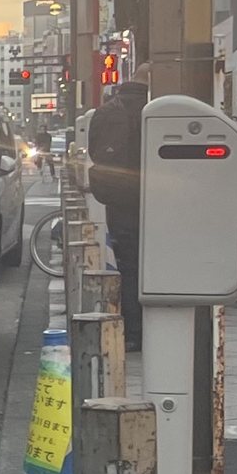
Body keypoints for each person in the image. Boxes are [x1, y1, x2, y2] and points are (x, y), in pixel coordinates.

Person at [86, 79, 147, 347]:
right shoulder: (155, 107)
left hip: (119, 199)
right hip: (159, 197)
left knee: (127, 264)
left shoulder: (106, 112)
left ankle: (133, 331)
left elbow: (94, 151)